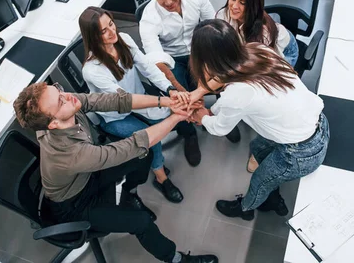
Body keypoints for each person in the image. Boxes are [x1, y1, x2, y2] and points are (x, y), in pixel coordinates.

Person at [13, 83, 218, 263]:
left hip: (86, 176)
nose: (66, 95)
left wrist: (166, 102)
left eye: (58, 89)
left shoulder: (68, 104)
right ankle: (175, 259)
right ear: (53, 124)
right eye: (59, 101)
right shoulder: (72, 154)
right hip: (75, 205)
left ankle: (129, 194)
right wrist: (177, 117)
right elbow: (133, 144)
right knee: (141, 222)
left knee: (143, 156)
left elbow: (115, 101)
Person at [188, 20, 329, 220]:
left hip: (301, 152)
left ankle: (245, 209)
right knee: (258, 147)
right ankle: (272, 193)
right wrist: (199, 92)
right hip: (315, 123)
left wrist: (202, 116)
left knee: (260, 182)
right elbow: (226, 74)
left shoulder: (237, 94)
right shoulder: (257, 50)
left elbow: (219, 128)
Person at [80, 7, 198, 203]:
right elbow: (125, 101)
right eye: (104, 31)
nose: (112, 32)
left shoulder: (123, 39)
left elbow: (148, 69)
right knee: (151, 138)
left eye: (111, 24)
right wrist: (163, 104)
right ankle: (161, 178)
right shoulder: (92, 70)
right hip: (115, 115)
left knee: (164, 119)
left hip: (139, 98)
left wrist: (170, 89)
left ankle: (171, 148)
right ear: (93, 37)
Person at [140, 0, 241, 145]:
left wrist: (210, 73)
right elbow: (159, 63)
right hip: (172, 60)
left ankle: (224, 119)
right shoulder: (148, 19)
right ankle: (189, 134)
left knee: (222, 75)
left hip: (201, 49)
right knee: (177, 99)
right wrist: (184, 93)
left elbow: (214, 26)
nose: (168, 2)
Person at [215, 0, 300, 173]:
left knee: (267, 100)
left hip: (282, 53)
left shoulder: (264, 33)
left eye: (242, 3)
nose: (234, 6)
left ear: (253, 5)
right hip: (246, 57)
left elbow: (267, 70)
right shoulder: (223, 15)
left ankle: (259, 151)